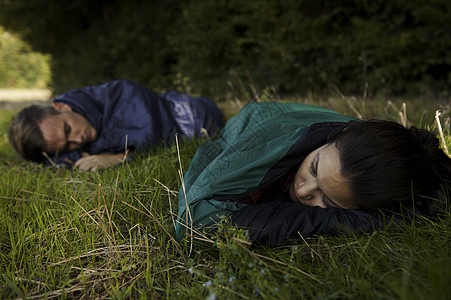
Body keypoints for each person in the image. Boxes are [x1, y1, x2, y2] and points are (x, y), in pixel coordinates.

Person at [176, 102, 451, 246]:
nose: (304, 191)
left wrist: (340, 220)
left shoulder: (399, 172)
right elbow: (194, 223)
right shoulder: (290, 142)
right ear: (338, 134)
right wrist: (337, 217)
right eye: (314, 168)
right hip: (257, 117)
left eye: (328, 202)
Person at [8, 79, 224, 171]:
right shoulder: (66, 138)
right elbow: (54, 161)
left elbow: (149, 134)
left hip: (192, 116)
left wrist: (117, 158)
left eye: (68, 129)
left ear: (62, 107)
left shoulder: (119, 94)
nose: (78, 140)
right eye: (66, 146)